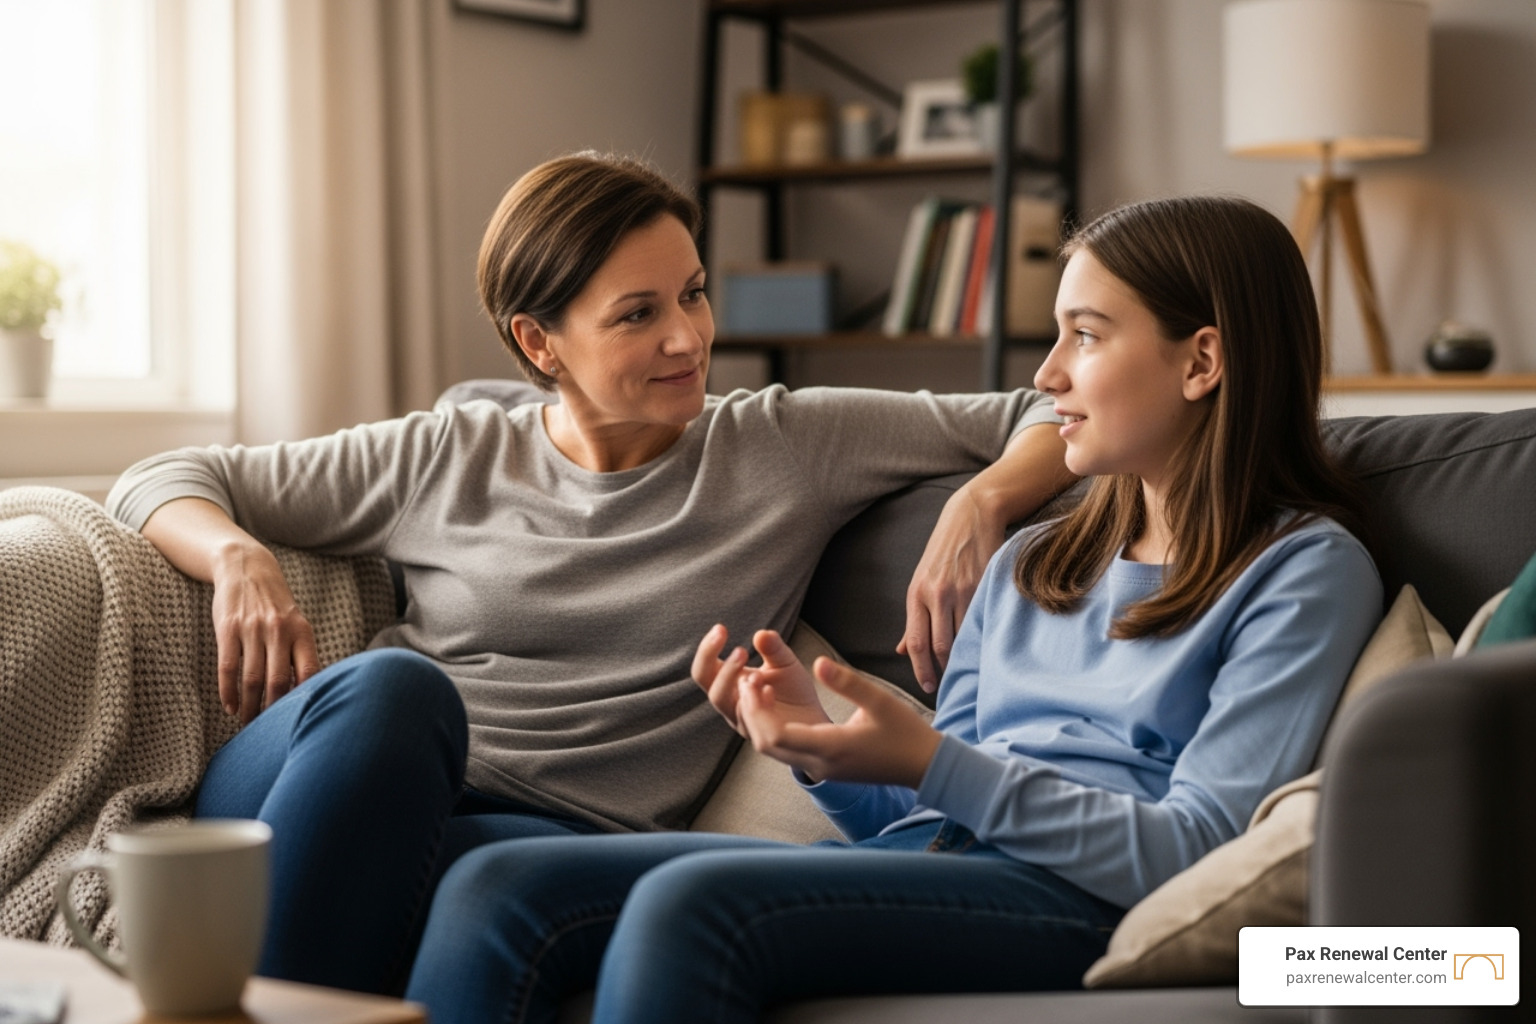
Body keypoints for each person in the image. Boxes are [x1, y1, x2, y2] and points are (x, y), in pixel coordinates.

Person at [401, 194, 1384, 1024]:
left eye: (1084, 335)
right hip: (952, 863)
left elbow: (1198, 847)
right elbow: (923, 816)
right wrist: (821, 750)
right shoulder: (1034, 560)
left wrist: (926, 757)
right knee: (501, 887)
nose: (1045, 376)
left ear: (1201, 361)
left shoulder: (1300, 572)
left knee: (694, 905)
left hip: (1085, 896)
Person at [103, 152, 1071, 994]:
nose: (689, 338)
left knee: (465, 865)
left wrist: (978, 503)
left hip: (552, 835)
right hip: (333, 785)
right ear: (539, 341)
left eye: (693, 292)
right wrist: (238, 556)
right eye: (638, 314)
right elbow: (163, 474)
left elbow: (1041, 412)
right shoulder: (446, 453)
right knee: (396, 689)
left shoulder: (783, 440)